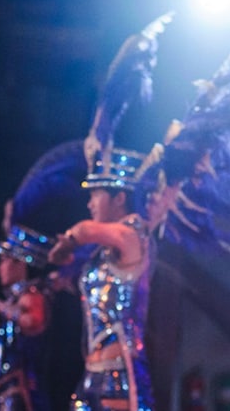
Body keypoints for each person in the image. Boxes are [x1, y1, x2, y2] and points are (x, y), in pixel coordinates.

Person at [47, 147, 157, 411]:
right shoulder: (102, 253)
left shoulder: (134, 235)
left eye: (96, 194)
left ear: (119, 198)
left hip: (119, 375)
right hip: (91, 374)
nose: (90, 203)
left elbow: (85, 230)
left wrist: (69, 242)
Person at [0, 219, 55, 411]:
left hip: (23, 390)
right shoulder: (13, 300)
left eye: (4, 260)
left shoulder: (32, 295)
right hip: (2, 387)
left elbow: (33, 322)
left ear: (19, 263)